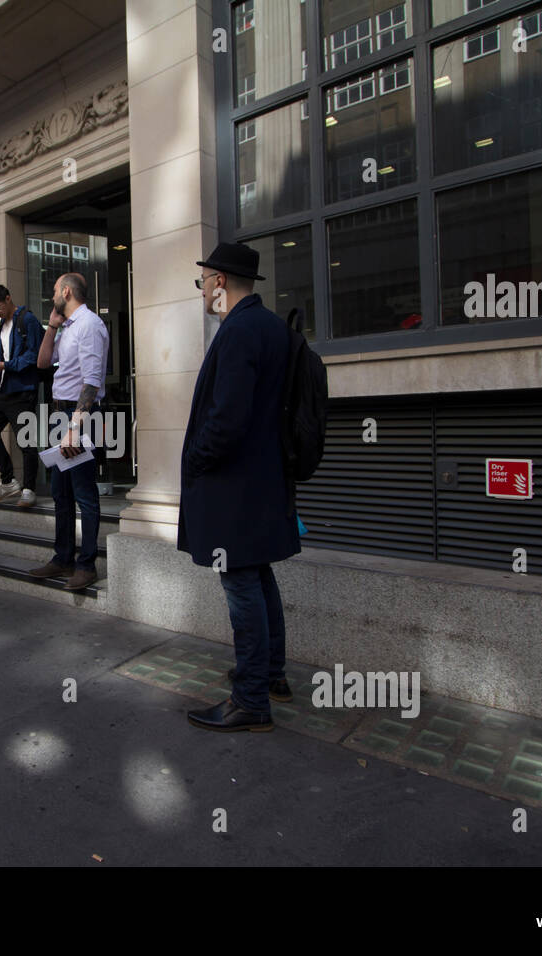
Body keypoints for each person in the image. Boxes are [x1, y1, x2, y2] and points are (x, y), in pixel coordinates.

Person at [179, 243, 297, 733]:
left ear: (220, 281)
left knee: (240, 584)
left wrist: (199, 461)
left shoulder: (239, 330)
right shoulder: (270, 326)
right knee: (258, 574)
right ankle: (270, 675)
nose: (202, 289)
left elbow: (228, 418)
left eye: (203, 280)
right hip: (265, 477)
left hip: (234, 482)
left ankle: (250, 701)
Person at [28, 273, 108, 591]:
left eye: (54, 291)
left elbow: (91, 382)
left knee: (84, 495)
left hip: (80, 416)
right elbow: (44, 362)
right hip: (61, 414)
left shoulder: (89, 325)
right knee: (61, 493)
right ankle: (62, 559)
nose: (52, 296)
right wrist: (52, 326)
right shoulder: (70, 327)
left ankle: (86, 566)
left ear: (65, 291)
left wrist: (74, 429)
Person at [0, 284, 43, 508]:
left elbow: (34, 356)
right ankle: (8, 482)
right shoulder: (1, 327)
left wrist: (5, 365)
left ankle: (29, 489)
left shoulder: (28, 320)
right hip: (5, 390)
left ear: (8, 298)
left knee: (26, 442)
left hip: (23, 390)